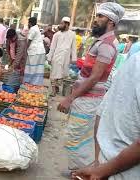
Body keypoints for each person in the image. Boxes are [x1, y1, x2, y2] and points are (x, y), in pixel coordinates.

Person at [57, 2, 124, 177]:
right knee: (80, 136)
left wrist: (69, 98)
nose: (96, 20)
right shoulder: (102, 41)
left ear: (111, 22)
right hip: (86, 97)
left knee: (75, 137)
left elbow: (95, 77)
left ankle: (84, 173)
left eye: (101, 17)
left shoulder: (107, 45)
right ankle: (79, 170)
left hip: (89, 99)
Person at [72, 52, 140, 180]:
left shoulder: (132, 61)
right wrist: (100, 166)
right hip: (111, 166)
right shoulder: (133, 61)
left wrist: (101, 168)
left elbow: (102, 113)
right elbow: (102, 112)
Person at [47, 17, 77, 96]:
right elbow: (52, 47)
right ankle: (53, 91)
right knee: (54, 74)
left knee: (62, 75)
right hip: (56, 57)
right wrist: (49, 58)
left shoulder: (72, 34)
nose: (60, 25)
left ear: (67, 24)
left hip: (66, 58)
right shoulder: (56, 35)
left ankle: (56, 88)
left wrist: (74, 58)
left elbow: (74, 47)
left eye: (62, 23)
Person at [24, 17, 46, 85]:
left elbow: (29, 41)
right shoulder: (36, 28)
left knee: (32, 68)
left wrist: (25, 50)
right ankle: (36, 84)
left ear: (30, 23)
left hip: (35, 52)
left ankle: (31, 83)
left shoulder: (33, 29)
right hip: (40, 51)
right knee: (37, 68)